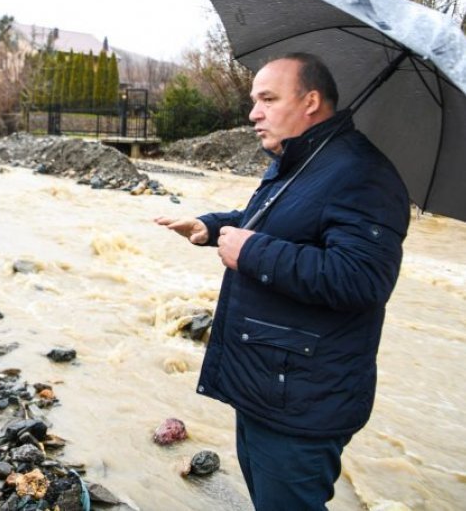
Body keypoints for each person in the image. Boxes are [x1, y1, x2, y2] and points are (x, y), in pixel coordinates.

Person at [155, 53, 410, 510]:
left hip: (304, 401)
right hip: (268, 384)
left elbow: (363, 279)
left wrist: (250, 252)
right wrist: (210, 226)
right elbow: (277, 222)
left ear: (311, 101)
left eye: (268, 99)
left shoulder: (362, 173)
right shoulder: (302, 160)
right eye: (255, 100)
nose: (254, 113)